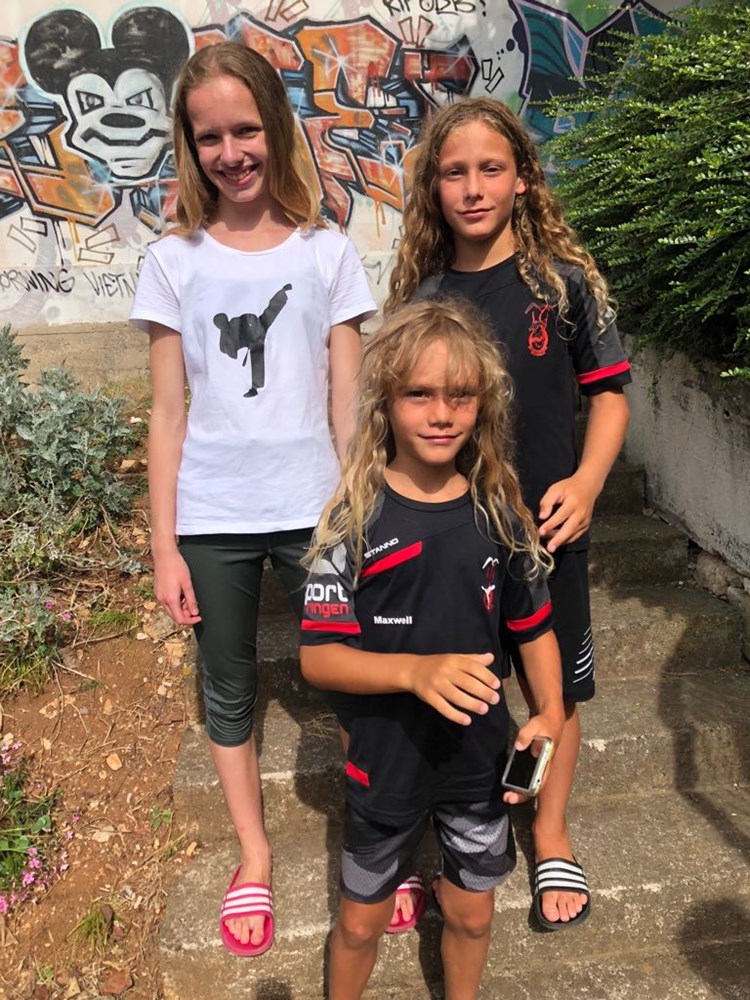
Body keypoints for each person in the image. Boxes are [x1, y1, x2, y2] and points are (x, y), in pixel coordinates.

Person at [129, 41, 375, 957]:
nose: (230, 153)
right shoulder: (173, 262)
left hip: (319, 512)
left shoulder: (328, 253)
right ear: (189, 147)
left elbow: (349, 401)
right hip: (212, 519)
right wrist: (164, 547)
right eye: (209, 138)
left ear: (277, 126)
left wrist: (364, 507)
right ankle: (255, 855)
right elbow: (167, 413)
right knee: (227, 691)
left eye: (245, 130)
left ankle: (375, 842)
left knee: (358, 680)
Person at [385, 96, 631, 931]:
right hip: (453, 542)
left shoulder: (561, 285)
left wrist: (588, 483)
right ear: (433, 187)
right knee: (448, 685)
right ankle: (433, 839)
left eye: (491, 168)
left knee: (556, 691)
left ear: (523, 177)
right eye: (453, 172)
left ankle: (550, 831)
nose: (473, 187)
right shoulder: (424, 295)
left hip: (550, 535)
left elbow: (610, 397)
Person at [300, 298, 565, 1000]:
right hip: (384, 766)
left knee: (473, 914)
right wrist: (415, 672)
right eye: (419, 394)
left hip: (479, 765)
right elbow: (318, 658)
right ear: (386, 401)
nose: (441, 414)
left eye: (460, 395)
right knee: (360, 924)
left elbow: (534, 627)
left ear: (484, 404)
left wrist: (549, 712)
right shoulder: (352, 520)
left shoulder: (499, 513)